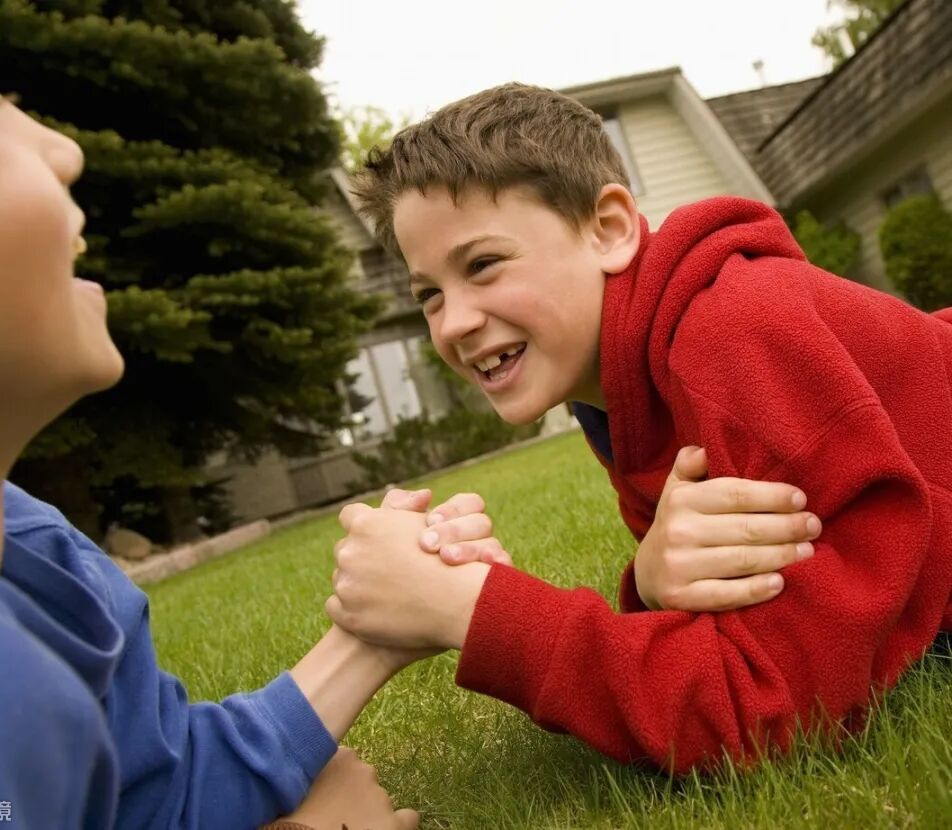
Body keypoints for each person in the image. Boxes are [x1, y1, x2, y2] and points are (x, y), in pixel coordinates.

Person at [0, 4, 815, 827]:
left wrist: (417, 622)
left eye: (483, 266)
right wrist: (504, 606)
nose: (64, 148)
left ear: (609, 228)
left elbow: (155, 790)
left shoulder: (41, 554)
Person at [328, 82, 952, 774]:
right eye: (429, 295)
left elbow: (774, 705)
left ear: (609, 229)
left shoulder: (732, 337)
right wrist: (651, 581)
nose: (454, 322)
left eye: (482, 265)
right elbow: (730, 619)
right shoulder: (614, 387)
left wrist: (472, 610)